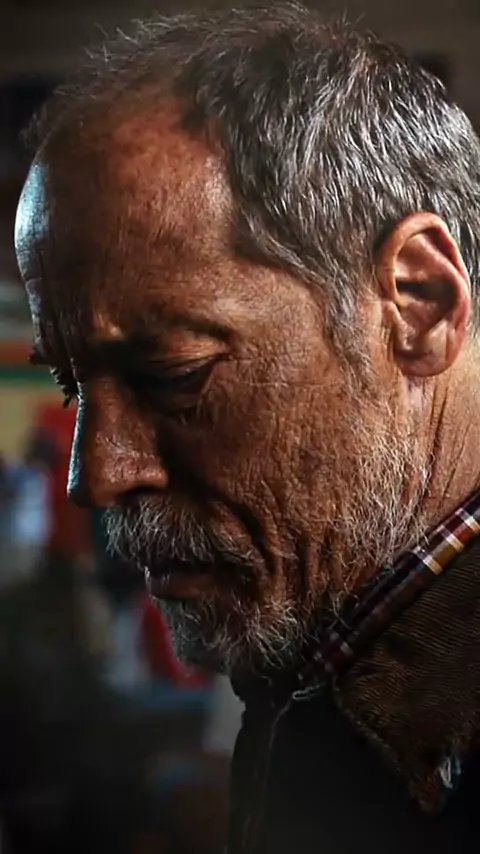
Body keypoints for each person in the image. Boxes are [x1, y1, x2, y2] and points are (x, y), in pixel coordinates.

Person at [13, 4, 480, 852]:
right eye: (71, 385)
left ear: (417, 303)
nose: (97, 475)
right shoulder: (321, 642)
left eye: (175, 376)